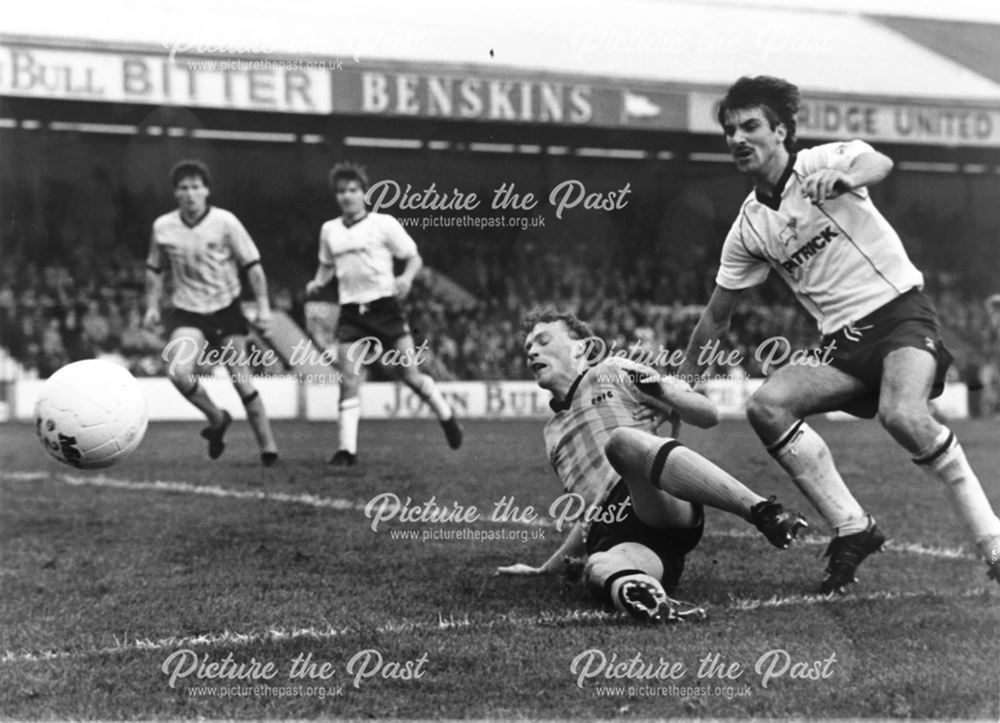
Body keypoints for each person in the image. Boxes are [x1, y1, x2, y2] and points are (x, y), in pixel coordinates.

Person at [680, 76, 1000, 593]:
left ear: (781, 130)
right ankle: (854, 526)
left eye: (751, 126)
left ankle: (995, 543)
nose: (738, 138)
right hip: (844, 347)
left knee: (903, 415)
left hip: (901, 316)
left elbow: (880, 163)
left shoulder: (815, 163)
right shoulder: (748, 228)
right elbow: (717, 316)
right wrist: (683, 383)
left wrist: (844, 179)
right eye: (729, 130)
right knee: (768, 406)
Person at [496, 309, 807, 623]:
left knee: (621, 443)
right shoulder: (551, 433)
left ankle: (763, 511)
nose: (532, 351)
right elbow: (589, 511)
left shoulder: (611, 370)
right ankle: (648, 598)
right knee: (600, 565)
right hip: (623, 536)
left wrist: (663, 390)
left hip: (654, 495)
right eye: (528, 348)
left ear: (580, 347)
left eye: (543, 340)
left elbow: (707, 415)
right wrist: (545, 569)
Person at [305, 163, 462, 466]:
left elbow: (413, 257)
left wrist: (405, 278)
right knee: (348, 378)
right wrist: (318, 281)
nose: (347, 196)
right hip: (351, 312)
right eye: (341, 191)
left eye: (353, 190)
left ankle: (446, 415)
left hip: (385, 309)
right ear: (335, 196)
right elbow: (326, 264)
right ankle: (346, 450)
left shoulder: (383, 223)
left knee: (411, 376)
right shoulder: (330, 230)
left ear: (364, 193)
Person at [144, 159, 279, 466]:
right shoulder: (163, 227)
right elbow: (154, 269)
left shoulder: (226, 222)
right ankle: (217, 418)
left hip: (226, 308)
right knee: (178, 372)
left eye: (195, 186)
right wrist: (152, 306)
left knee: (242, 380)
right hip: (188, 312)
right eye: (183, 188)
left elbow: (253, 267)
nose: (190, 193)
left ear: (206, 190)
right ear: (175, 193)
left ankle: (269, 450)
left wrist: (264, 307)